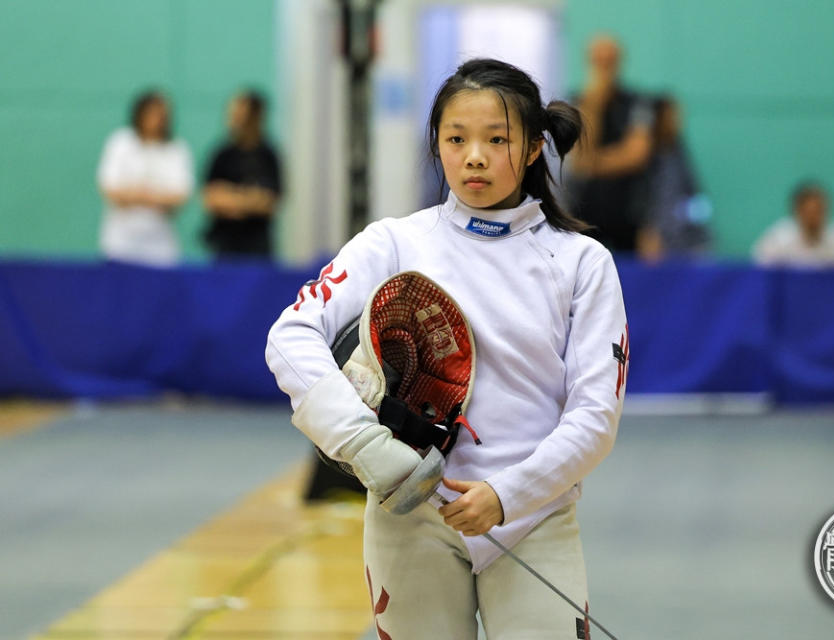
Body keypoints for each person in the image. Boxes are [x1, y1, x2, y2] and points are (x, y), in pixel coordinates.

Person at [266, 58, 628, 637]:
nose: (475, 156)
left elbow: (595, 417)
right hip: (409, 516)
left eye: (496, 139)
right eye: (456, 139)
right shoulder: (395, 242)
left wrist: (507, 495)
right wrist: (364, 446)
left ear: (534, 148)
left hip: (535, 517)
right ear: (437, 144)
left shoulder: (582, 262)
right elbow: (290, 336)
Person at [568, 35, 654, 253]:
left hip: (630, 212)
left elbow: (636, 157)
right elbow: (578, 159)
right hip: (585, 210)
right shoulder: (578, 102)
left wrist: (593, 162)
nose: (604, 68)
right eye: (598, 61)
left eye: (609, 61)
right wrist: (595, 101)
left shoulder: (638, 103)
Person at [96, 90, 194, 266]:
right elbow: (111, 189)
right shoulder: (121, 143)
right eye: (153, 114)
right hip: (121, 244)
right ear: (140, 114)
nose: (159, 120)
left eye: (163, 115)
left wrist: (139, 195)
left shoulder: (176, 149)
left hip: (161, 248)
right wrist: (154, 197)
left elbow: (180, 196)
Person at [202, 90, 283, 259]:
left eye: (240, 113)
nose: (233, 118)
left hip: (257, 245)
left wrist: (230, 197)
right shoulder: (222, 154)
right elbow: (211, 197)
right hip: (225, 243)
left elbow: (270, 201)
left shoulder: (268, 155)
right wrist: (249, 199)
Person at [640, 95, 711, 260]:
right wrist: (650, 231)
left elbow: (694, 195)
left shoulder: (679, 153)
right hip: (655, 245)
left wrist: (700, 233)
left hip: (688, 241)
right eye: (670, 116)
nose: (676, 121)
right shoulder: (647, 158)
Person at [753, 181, 834, 267]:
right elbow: (760, 269)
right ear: (796, 211)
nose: (812, 218)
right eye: (808, 213)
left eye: (818, 212)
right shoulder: (778, 239)